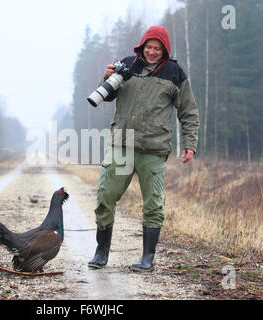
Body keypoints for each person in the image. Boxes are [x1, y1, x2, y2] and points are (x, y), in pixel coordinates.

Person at [88, 25, 200, 272]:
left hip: (154, 148)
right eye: (149, 47)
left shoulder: (175, 73)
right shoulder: (127, 65)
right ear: (142, 46)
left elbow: (188, 111)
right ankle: (101, 251)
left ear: (165, 50)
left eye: (157, 48)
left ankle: (147, 257)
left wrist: (190, 143)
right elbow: (105, 96)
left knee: (152, 205)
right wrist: (107, 76)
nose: (152, 52)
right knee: (105, 196)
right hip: (123, 144)